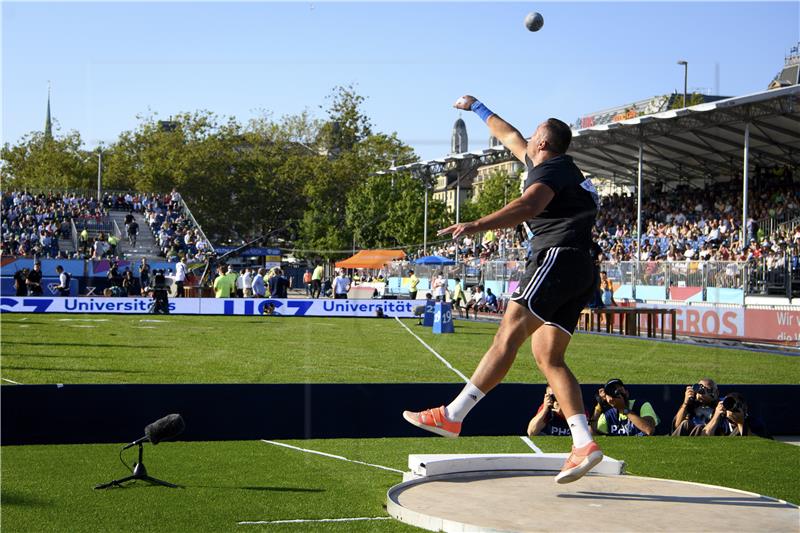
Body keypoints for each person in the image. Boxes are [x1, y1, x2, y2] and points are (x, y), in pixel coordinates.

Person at [403, 94, 603, 484]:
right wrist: (476, 107)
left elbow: (529, 206)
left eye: (533, 136)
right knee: (549, 357)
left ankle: (453, 415)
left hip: (557, 257)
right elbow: (507, 133)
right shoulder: (554, 165)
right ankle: (583, 443)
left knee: (506, 334)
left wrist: (475, 225)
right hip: (580, 268)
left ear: (543, 143)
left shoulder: (553, 171)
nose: (523, 139)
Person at [592, 379, 659, 437]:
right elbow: (591, 435)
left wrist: (623, 409)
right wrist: (598, 407)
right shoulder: (608, 416)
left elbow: (649, 430)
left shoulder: (642, 405)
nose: (617, 394)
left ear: (627, 393)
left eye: (619, 391)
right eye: (612, 393)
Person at [701, 392, 770, 438]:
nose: (732, 408)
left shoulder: (754, 422)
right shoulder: (720, 421)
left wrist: (741, 423)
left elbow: (758, 444)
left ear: (744, 408)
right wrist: (716, 415)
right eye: (729, 404)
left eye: (737, 405)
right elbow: (704, 438)